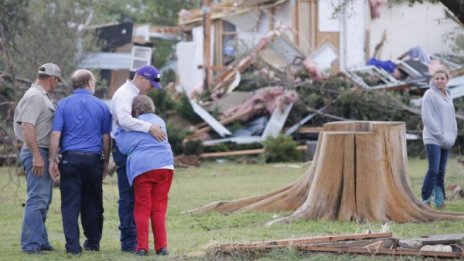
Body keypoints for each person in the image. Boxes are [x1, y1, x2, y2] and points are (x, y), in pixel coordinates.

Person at [47, 69, 112, 255]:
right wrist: (105, 162)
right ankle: (92, 242)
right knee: (93, 202)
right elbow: (106, 138)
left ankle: (73, 248)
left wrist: (52, 159)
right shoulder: (101, 106)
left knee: (70, 204)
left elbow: (56, 134)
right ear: (89, 83)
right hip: (93, 160)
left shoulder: (63, 105)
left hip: (70, 159)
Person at [111, 65, 166, 252]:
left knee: (139, 199)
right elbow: (124, 121)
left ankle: (138, 242)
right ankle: (129, 243)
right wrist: (150, 127)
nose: (150, 89)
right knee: (128, 197)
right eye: (150, 85)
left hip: (137, 150)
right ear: (141, 78)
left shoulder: (132, 94)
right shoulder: (125, 94)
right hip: (125, 150)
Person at [14, 63, 63, 254]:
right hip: (37, 152)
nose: (56, 85)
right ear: (52, 79)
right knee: (37, 199)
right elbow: (27, 125)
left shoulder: (41, 96)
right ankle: (31, 245)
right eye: (57, 81)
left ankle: (41, 240)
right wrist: (36, 155)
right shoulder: (35, 96)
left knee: (44, 199)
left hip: (42, 152)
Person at [115, 95, 174, 256]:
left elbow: (124, 148)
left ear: (135, 110)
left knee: (142, 208)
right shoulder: (160, 121)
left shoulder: (133, 125)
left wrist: (119, 128)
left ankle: (141, 247)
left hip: (143, 168)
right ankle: (162, 247)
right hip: (165, 165)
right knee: (159, 208)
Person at [420, 68, 457, 209]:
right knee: (433, 169)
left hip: (446, 140)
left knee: (441, 171)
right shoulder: (429, 95)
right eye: (437, 78)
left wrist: (452, 135)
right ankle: (425, 200)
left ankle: (440, 201)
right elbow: (427, 118)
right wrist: (441, 136)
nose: (439, 81)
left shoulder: (448, 95)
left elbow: (452, 118)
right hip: (433, 139)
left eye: (442, 78)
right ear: (433, 80)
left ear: (447, 80)